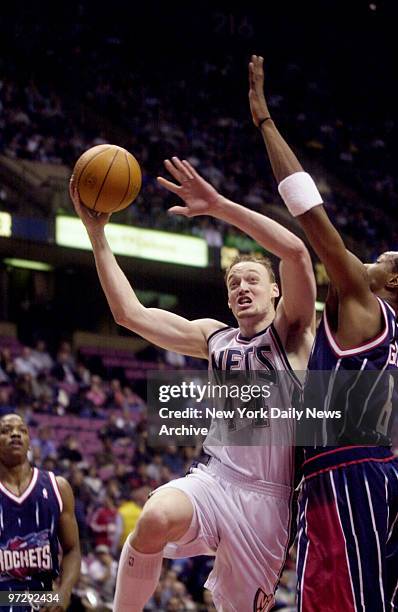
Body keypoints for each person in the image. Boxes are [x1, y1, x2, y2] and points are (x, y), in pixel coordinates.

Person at [70, 152, 316, 611]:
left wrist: (219, 205)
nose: (242, 288)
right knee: (155, 516)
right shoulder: (214, 337)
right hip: (215, 480)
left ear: (275, 290)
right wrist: (97, 233)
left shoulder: (293, 331)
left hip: (268, 503)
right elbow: (130, 314)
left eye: (252, 281)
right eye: (233, 283)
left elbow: (297, 252)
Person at [248, 54, 398, 611]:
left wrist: (264, 120)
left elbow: (310, 214)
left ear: (394, 280)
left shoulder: (362, 301)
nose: (374, 256)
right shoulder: (378, 326)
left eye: (385, 256)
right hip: (359, 470)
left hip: (349, 471)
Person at [0, 413, 81, 611]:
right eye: (6, 431)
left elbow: (72, 549)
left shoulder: (57, 487)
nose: (15, 435)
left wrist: (64, 592)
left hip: (44, 599)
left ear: (29, 443)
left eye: (22, 431)